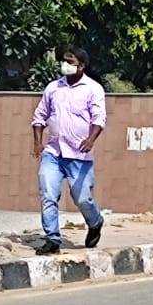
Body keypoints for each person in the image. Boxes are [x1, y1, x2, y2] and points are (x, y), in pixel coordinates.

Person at [30, 46, 107, 255]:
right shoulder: (53, 88)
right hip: (53, 153)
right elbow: (39, 117)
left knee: (82, 198)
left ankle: (95, 221)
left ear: (81, 66)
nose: (65, 65)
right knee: (48, 194)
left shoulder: (93, 89)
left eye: (70, 62)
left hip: (79, 155)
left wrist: (91, 140)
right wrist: (38, 142)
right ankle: (52, 239)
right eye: (64, 60)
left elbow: (99, 119)